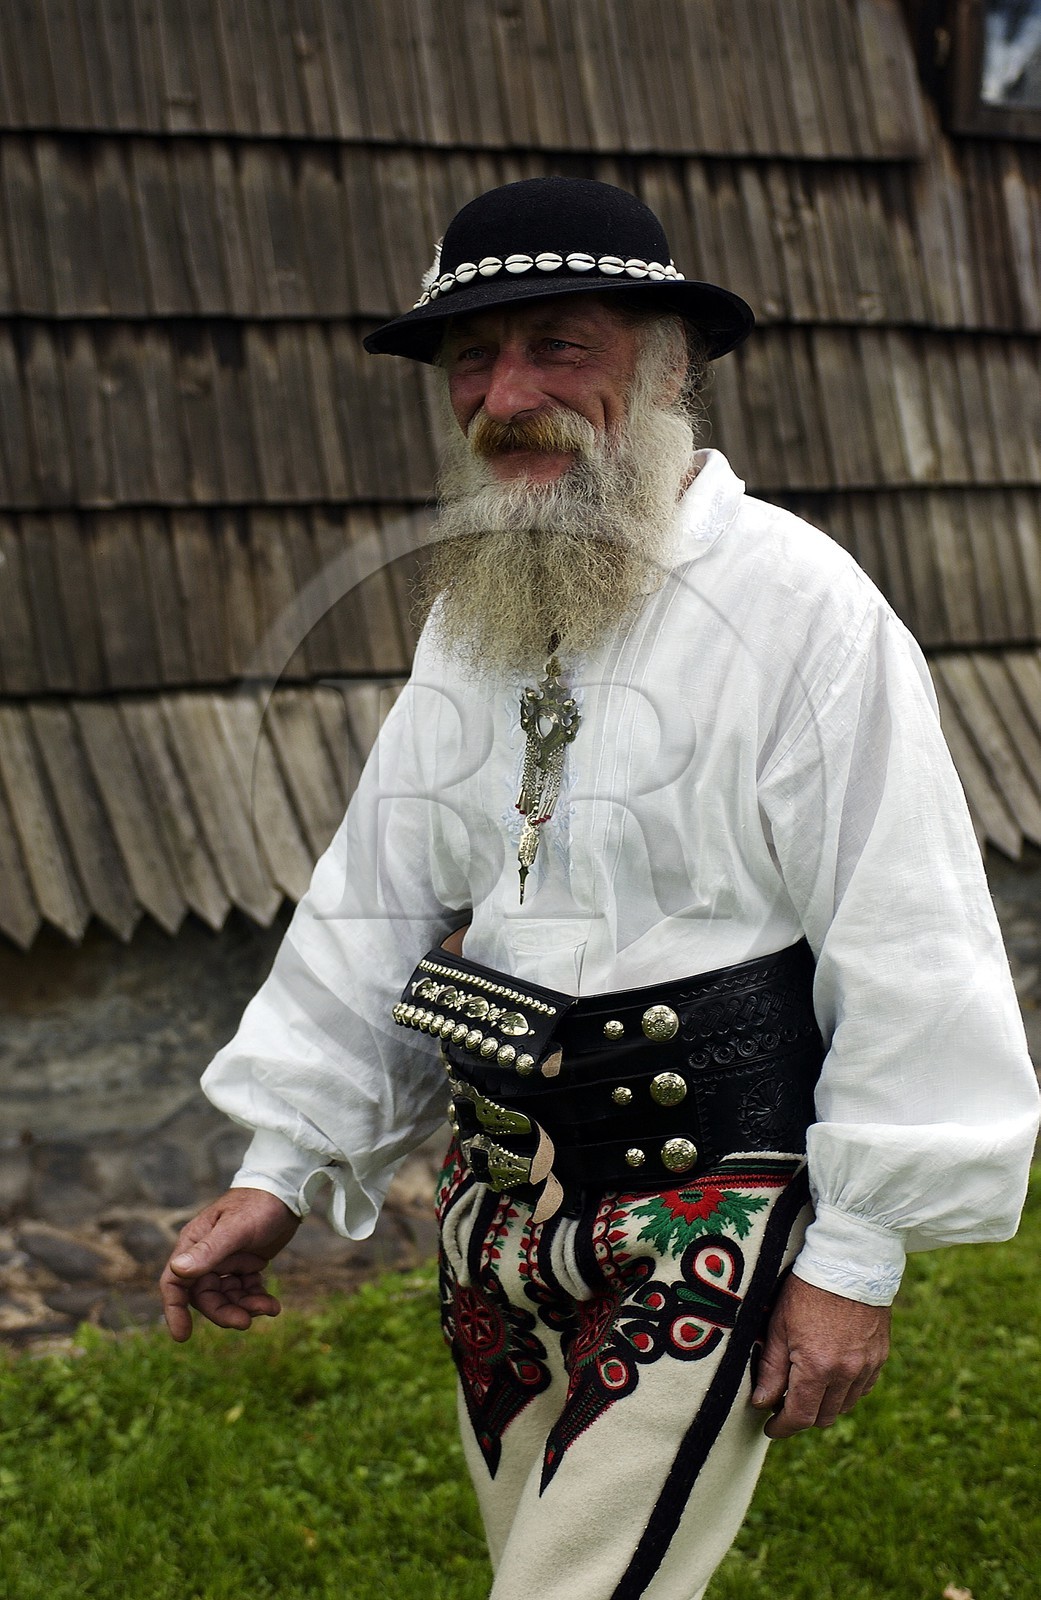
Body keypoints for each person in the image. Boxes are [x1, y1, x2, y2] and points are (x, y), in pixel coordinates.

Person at [160, 178, 1039, 1600]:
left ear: (664, 362)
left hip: (713, 1202)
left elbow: (908, 934)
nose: (507, 395)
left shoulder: (800, 607)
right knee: (541, 1566)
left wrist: (857, 1252)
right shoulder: (473, 613)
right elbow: (376, 897)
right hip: (492, 1207)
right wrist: (284, 1163)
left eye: (557, 347)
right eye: (470, 360)